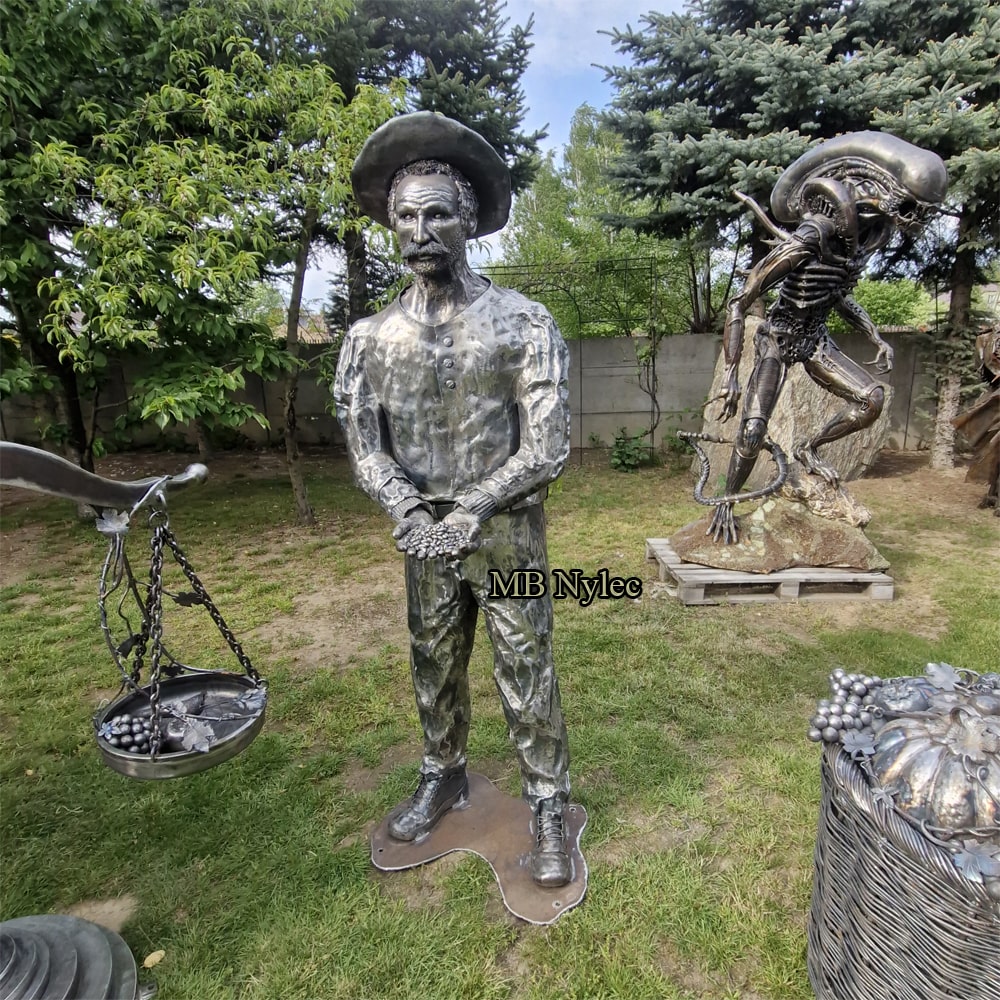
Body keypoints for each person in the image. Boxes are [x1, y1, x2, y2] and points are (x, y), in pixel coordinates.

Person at [333, 112, 573, 888]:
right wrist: (407, 510)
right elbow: (367, 445)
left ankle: (547, 801)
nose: (420, 232)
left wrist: (475, 507)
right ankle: (443, 774)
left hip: (505, 534)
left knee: (526, 666)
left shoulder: (524, 324)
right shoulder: (368, 340)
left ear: (468, 221)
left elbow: (547, 446)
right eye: (406, 217)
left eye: (437, 214)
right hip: (424, 540)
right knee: (432, 664)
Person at [709, 131, 947, 544]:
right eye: (910, 208)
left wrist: (874, 335)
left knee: (871, 399)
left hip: (815, 339)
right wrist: (731, 373)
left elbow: (838, 295)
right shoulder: (812, 236)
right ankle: (726, 501)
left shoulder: (865, 241)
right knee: (752, 431)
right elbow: (739, 302)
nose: (915, 220)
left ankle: (809, 449)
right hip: (778, 338)